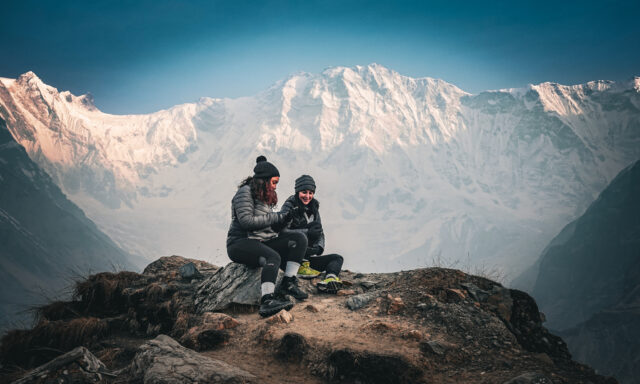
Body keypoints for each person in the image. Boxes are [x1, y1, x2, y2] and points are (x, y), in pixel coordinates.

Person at [227, 156, 309, 317]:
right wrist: (277, 216)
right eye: (274, 182)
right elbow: (247, 222)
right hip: (240, 243)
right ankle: (267, 301)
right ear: (264, 180)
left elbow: (271, 226)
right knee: (273, 257)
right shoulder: (244, 193)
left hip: (262, 240)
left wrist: (287, 218)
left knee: (299, 239)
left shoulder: (263, 194)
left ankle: (288, 283)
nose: (275, 186)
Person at [280, 174, 345, 293]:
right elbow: (282, 231)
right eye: (304, 192)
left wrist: (319, 248)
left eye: (311, 193)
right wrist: (306, 232)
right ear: (297, 191)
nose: (308, 196)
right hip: (292, 256)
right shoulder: (289, 206)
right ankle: (298, 270)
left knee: (337, 258)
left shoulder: (314, 207)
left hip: (308, 257)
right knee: (310, 230)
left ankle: (330, 279)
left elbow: (320, 230)